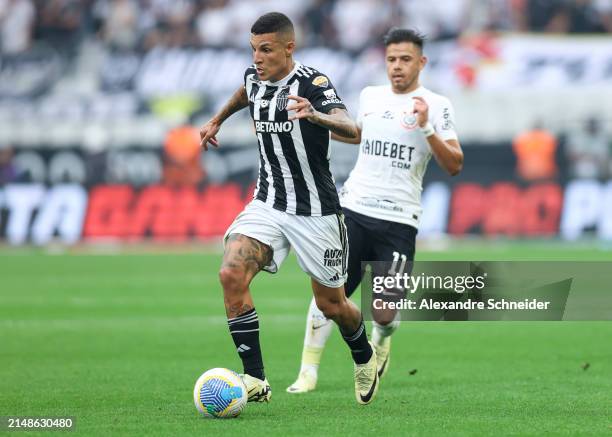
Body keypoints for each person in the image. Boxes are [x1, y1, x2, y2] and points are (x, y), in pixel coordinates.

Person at [199, 12, 379, 405]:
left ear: (288, 47)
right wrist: (217, 119)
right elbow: (245, 92)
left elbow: (353, 129)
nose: (257, 58)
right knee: (231, 273)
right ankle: (255, 380)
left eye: (265, 50)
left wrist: (314, 114)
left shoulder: (312, 83)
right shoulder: (253, 78)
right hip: (268, 202)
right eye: (253, 50)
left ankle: (363, 354)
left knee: (332, 304)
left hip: (316, 211)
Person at [286, 28, 463, 393]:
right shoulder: (371, 95)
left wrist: (427, 125)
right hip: (354, 208)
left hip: (399, 220)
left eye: (405, 60)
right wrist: (315, 117)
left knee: (383, 313)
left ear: (422, 62)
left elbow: (454, 164)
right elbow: (355, 133)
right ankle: (308, 371)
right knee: (330, 292)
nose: (397, 67)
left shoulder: (437, 105)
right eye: (392, 59)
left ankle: (382, 339)